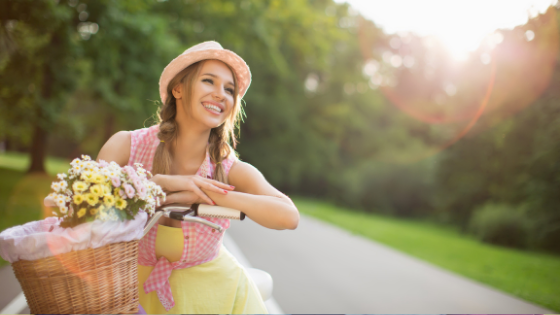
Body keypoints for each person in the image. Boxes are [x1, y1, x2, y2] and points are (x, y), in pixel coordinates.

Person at [96, 41, 299, 314]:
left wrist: (209, 194)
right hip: (126, 288)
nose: (221, 94)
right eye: (209, 81)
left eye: (229, 90)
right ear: (178, 88)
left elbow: (288, 216)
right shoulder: (126, 145)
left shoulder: (227, 166)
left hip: (213, 294)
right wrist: (164, 183)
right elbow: (85, 204)